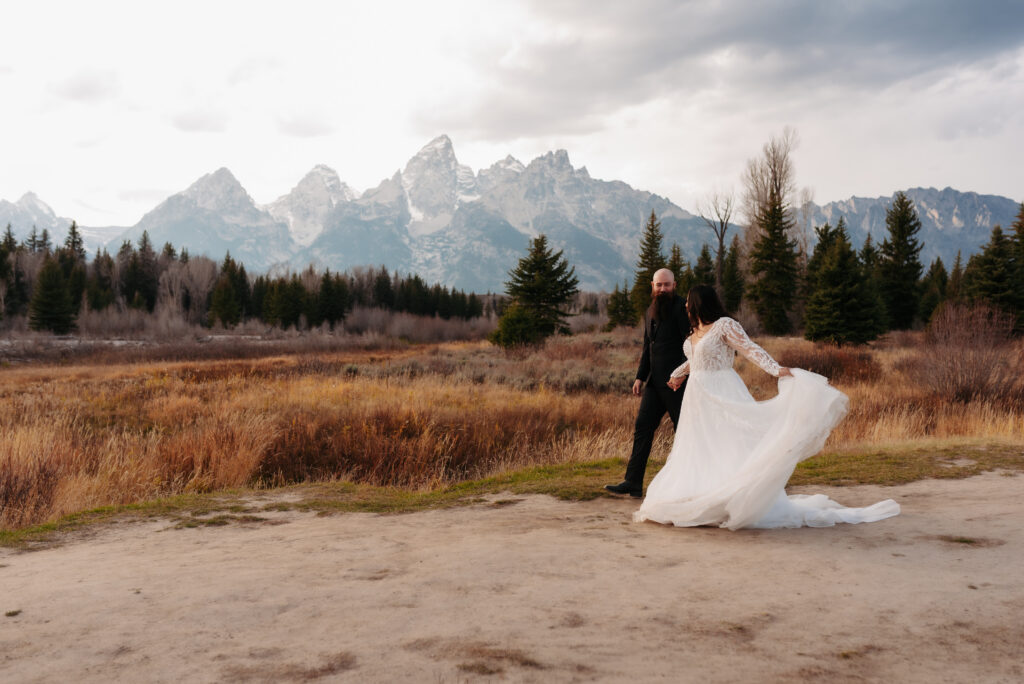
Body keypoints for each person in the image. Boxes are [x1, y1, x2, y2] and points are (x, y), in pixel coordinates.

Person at [634, 285, 900, 529]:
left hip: (722, 390)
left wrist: (776, 370)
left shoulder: (724, 325)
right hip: (698, 397)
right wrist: (678, 373)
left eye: (688, 303)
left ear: (698, 304)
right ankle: (708, 494)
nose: (685, 307)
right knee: (704, 446)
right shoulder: (695, 332)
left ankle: (737, 498)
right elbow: (697, 360)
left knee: (733, 442)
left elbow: (750, 349)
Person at [605, 268, 691, 498]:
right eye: (659, 285)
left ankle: (690, 484)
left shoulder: (683, 309)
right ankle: (632, 482)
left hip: (677, 384)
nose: (663, 289)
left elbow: (691, 344)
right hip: (654, 383)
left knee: (684, 432)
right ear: (652, 286)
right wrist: (640, 377)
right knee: (642, 428)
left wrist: (682, 374)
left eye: (667, 285)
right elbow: (648, 347)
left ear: (674, 285)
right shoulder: (649, 311)